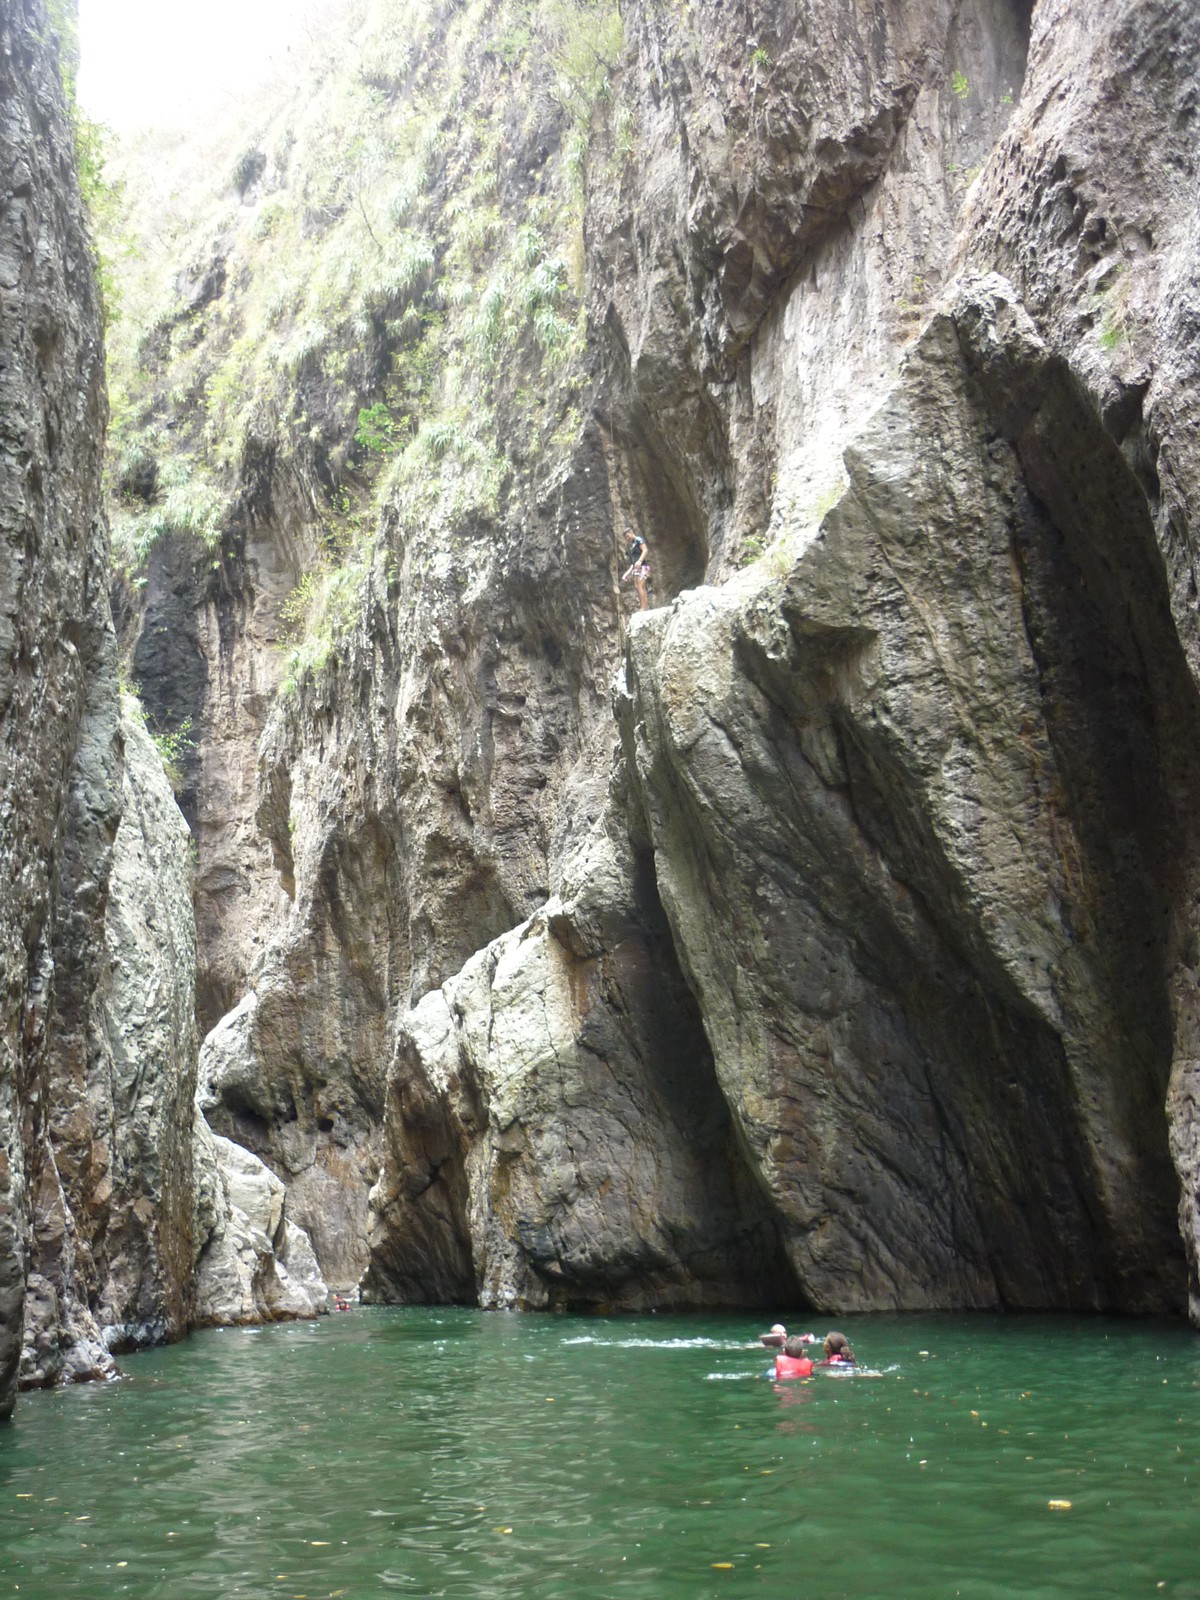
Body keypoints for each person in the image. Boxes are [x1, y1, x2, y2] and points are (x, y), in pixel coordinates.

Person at [621, 527, 651, 611]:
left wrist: (640, 561)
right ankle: (644, 607)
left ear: (631, 532)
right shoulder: (632, 545)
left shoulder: (638, 539)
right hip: (637, 568)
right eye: (625, 537)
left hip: (642, 566)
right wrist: (627, 573)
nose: (627, 538)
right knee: (638, 586)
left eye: (628, 536)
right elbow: (633, 563)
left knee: (639, 586)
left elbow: (645, 550)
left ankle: (643, 608)